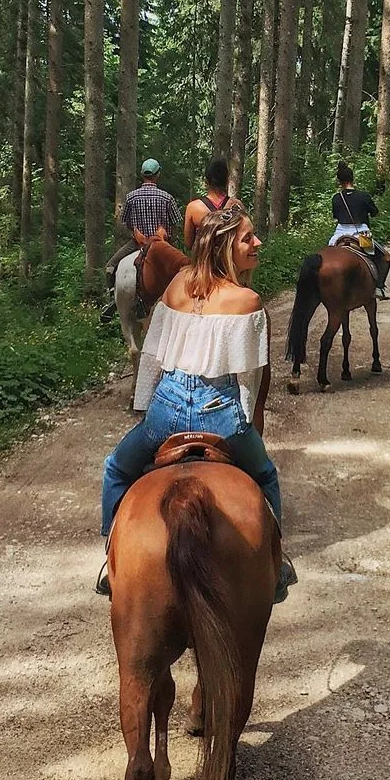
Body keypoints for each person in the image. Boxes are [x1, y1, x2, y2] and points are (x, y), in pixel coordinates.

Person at [97, 205, 297, 603]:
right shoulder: (248, 301)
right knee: (266, 476)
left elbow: (152, 358)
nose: (257, 243)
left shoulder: (175, 288)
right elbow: (248, 380)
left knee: (117, 468)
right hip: (221, 414)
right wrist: (243, 426)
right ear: (225, 248)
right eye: (248, 238)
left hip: (167, 408)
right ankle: (275, 564)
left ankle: (108, 559)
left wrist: (146, 410)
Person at [100, 159, 183, 322]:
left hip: (138, 243)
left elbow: (125, 222)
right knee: (182, 269)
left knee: (110, 266)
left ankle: (112, 300)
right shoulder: (167, 198)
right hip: (162, 245)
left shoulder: (131, 197)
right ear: (158, 175)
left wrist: (135, 231)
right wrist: (170, 237)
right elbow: (175, 223)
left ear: (142, 175)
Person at [329, 162, 390, 298]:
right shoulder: (363, 196)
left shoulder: (336, 198)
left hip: (339, 232)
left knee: (328, 254)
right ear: (352, 178)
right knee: (385, 257)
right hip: (361, 233)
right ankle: (379, 287)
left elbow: (336, 216)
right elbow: (374, 212)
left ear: (339, 182)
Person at [183, 156, 240, 249]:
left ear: (206, 181)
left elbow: (188, 244)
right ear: (227, 180)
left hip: (203, 262)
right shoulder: (237, 206)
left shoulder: (193, 208)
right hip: (229, 263)